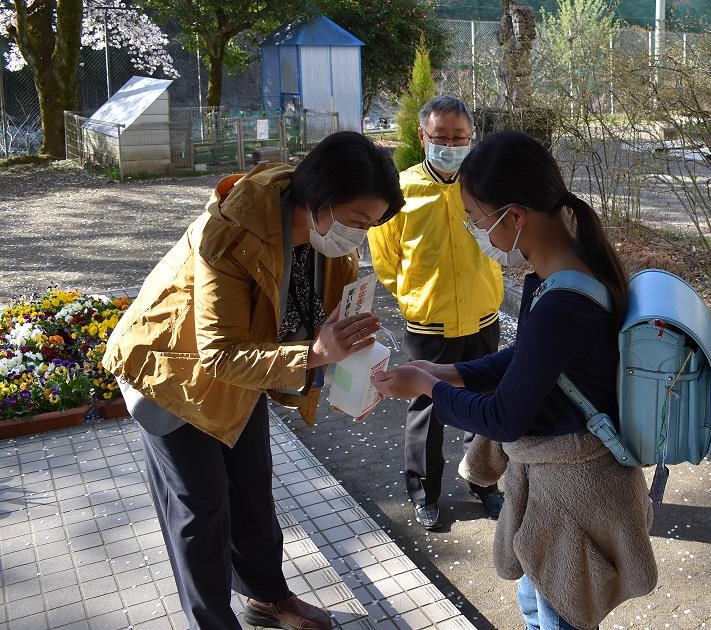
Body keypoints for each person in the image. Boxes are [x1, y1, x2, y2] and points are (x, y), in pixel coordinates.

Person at [102, 132, 405, 630]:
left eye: (371, 225)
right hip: (172, 374)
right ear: (319, 200)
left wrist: (361, 379)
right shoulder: (230, 232)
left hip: (246, 370)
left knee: (251, 490)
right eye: (357, 221)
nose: (361, 235)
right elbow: (218, 354)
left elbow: (332, 323)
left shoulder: (331, 239)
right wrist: (313, 354)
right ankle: (214, 623)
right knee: (201, 512)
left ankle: (267, 599)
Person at [372, 130, 658, 630]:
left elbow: (505, 417)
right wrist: (448, 372)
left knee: (556, 616)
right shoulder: (563, 272)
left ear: (515, 217)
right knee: (538, 605)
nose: (475, 230)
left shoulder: (563, 301)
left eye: (476, 218)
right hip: (559, 490)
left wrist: (427, 390)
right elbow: (528, 360)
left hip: (572, 501)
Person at [367, 95, 505, 530]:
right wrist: (414, 298)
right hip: (428, 323)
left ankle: (484, 483)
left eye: (459, 137)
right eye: (441, 136)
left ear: (471, 139)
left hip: (483, 318)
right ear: (423, 136)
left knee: (482, 407)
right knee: (426, 409)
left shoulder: (486, 187)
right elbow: (386, 259)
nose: (450, 144)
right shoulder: (402, 193)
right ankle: (424, 492)